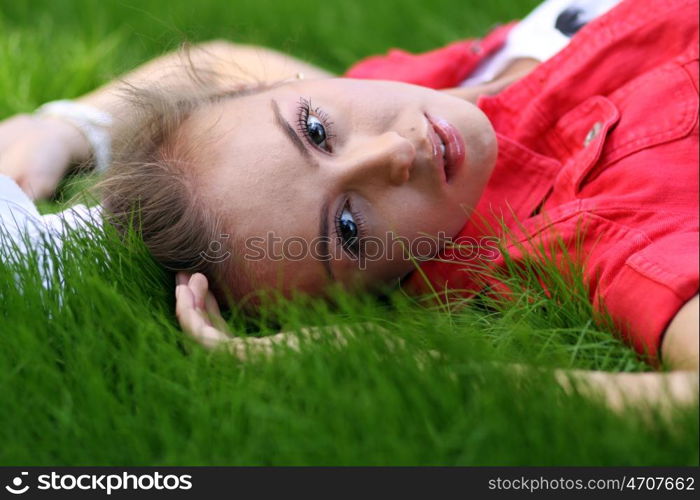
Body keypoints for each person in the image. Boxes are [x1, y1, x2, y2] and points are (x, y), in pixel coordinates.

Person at [0, 0, 697, 410]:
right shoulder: (602, 224)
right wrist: (402, 362)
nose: (391, 155)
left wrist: (63, 127)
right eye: (348, 227)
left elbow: (218, 61)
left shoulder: (403, 91)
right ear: (391, 282)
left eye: (313, 129)